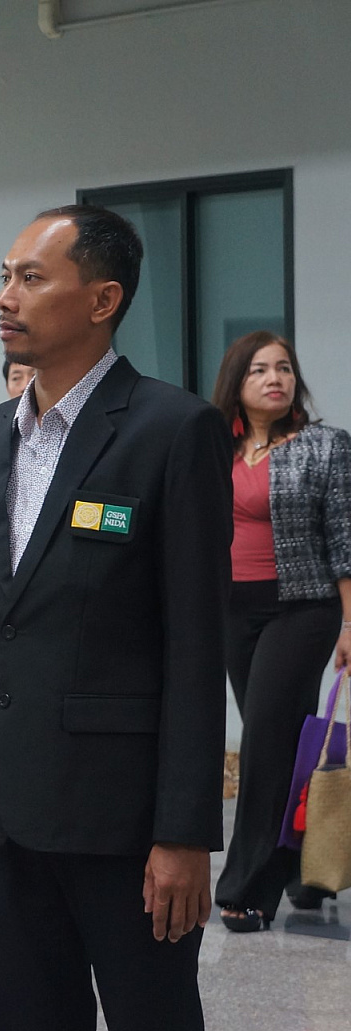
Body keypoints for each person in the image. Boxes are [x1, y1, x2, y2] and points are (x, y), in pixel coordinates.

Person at [0, 205, 231, 1031]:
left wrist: (184, 834)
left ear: (102, 300)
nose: (5, 297)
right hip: (6, 824)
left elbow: (197, 647)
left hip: (125, 828)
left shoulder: (173, 430)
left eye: (31, 278)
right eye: (4, 277)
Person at [209, 331, 351, 931]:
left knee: (264, 742)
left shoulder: (325, 446)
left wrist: (350, 622)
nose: (276, 378)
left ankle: (247, 887)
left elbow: (344, 537)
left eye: (285, 368)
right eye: (261, 370)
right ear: (236, 383)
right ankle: (305, 869)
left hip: (303, 608)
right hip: (232, 610)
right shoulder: (214, 447)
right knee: (284, 741)